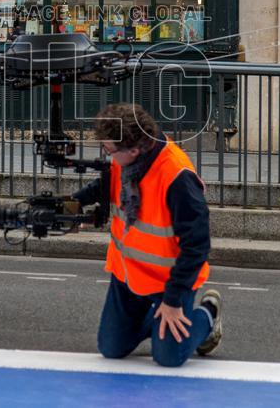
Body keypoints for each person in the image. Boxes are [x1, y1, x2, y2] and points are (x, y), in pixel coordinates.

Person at [72, 103, 222, 368]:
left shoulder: (177, 177)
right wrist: (74, 203)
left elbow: (197, 246)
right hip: (128, 274)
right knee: (111, 349)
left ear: (134, 150)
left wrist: (173, 300)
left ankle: (207, 315)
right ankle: (157, 322)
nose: (107, 155)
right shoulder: (128, 160)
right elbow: (105, 185)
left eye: (109, 150)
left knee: (168, 358)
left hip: (169, 282)